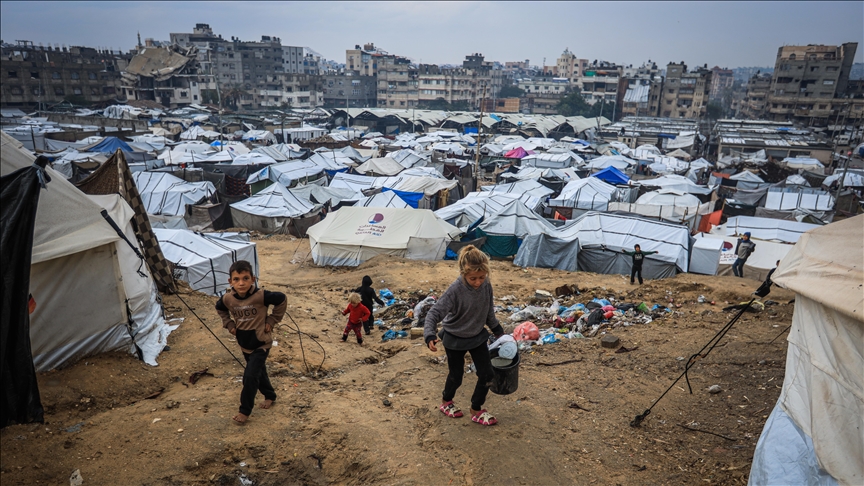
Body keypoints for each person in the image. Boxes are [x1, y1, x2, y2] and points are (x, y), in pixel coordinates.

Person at [424, 245, 504, 426]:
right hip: (455, 337)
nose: (478, 282)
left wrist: (498, 330)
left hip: (477, 336)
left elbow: (488, 311)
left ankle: (476, 409)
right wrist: (429, 335)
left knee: (487, 374)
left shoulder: (486, 285)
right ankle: (446, 402)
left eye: (481, 278)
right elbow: (434, 313)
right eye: (473, 278)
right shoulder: (455, 290)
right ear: (463, 274)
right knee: (456, 375)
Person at [216, 261, 287, 425]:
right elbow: (220, 308)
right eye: (236, 279)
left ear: (253, 279)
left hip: (262, 343)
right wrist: (229, 324)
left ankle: (244, 410)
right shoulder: (228, 299)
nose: (241, 283)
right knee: (258, 372)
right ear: (230, 281)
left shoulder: (261, 295)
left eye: (245, 278)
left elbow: (282, 299)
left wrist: (272, 319)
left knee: (250, 377)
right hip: (244, 344)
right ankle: (270, 395)